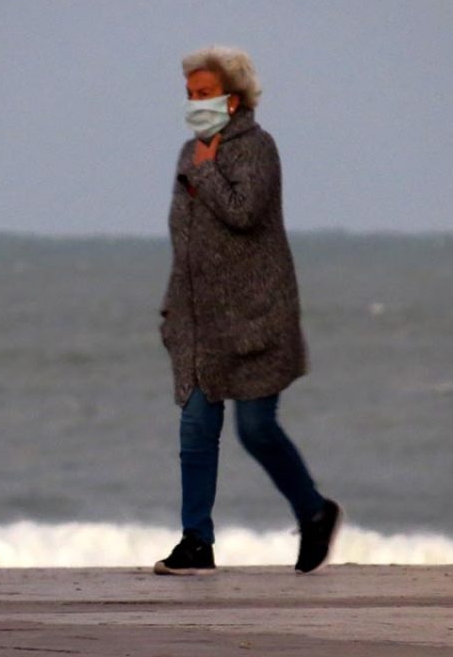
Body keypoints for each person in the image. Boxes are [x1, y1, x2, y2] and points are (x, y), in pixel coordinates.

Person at [154, 45, 341, 576]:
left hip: (257, 317)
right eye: (190, 95)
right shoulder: (189, 154)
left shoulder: (257, 148)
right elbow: (185, 237)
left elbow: (243, 212)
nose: (194, 104)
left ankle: (314, 511)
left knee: (256, 429)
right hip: (198, 323)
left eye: (204, 94)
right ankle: (197, 542)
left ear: (233, 100)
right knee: (195, 429)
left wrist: (210, 173)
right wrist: (173, 308)